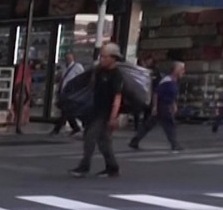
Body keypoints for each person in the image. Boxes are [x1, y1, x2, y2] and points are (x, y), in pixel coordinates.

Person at [70, 42, 125, 179]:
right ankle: (112, 168)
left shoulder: (116, 75)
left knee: (90, 137)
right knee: (104, 142)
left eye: (105, 57)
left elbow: (117, 97)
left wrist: (113, 117)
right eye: (102, 56)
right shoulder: (99, 71)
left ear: (113, 58)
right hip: (95, 110)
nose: (102, 59)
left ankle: (84, 166)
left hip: (105, 113)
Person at [130, 60, 184, 152]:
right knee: (169, 125)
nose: (183, 71)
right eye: (182, 69)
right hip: (162, 105)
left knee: (149, 125)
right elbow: (156, 93)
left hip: (165, 105)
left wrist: (173, 104)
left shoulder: (174, 81)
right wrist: (155, 107)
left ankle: (135, 141)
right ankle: (175, 144)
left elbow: (172, 95)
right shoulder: (167, 81)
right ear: (176, 70)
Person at [51, 52, 84, 136]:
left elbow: (82, 77)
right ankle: (75, 127)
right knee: (68, 112)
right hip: (64, 92)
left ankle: (56, 129)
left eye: (69, 58)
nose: (68, 60)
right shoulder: (65, 68)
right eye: (67, 58)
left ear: (73, 58)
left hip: (71, 93)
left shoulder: (77, 67)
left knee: (65, 111)